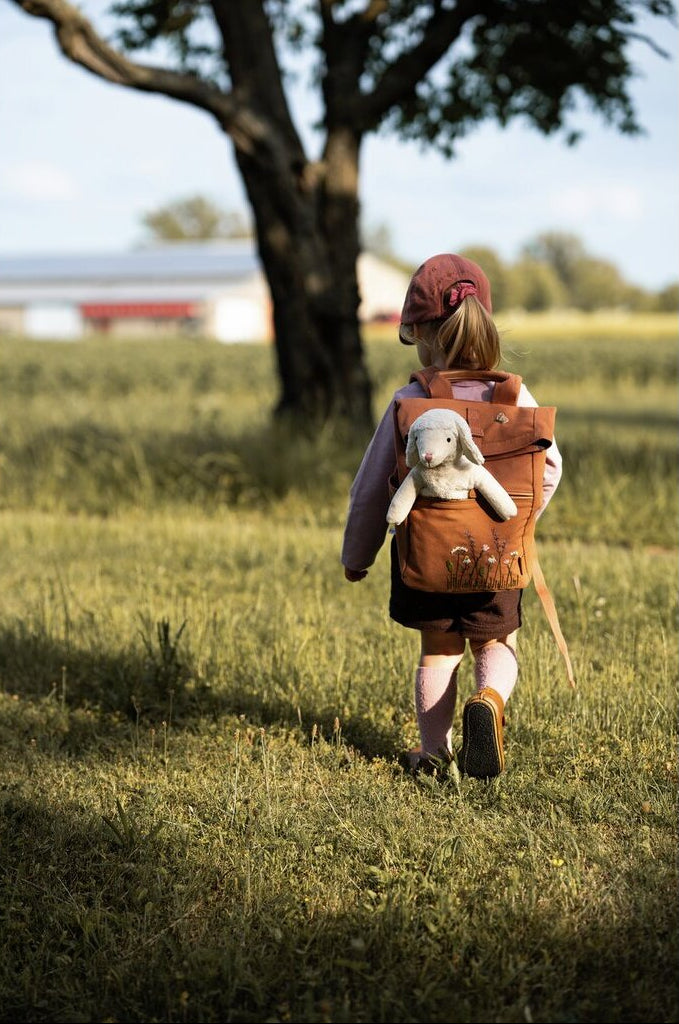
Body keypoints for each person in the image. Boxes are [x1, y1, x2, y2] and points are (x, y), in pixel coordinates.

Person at [341, 253, 562, 778]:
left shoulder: (410, 400)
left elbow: (372, 490)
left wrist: (358, 553)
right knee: (497, 641)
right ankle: (487, 700)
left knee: (438, 651)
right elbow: (549, 468)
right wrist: (516, 522)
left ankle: (433, 753)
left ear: (421, 333)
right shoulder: (515, 396)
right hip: (497, 553)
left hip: (427, 556)